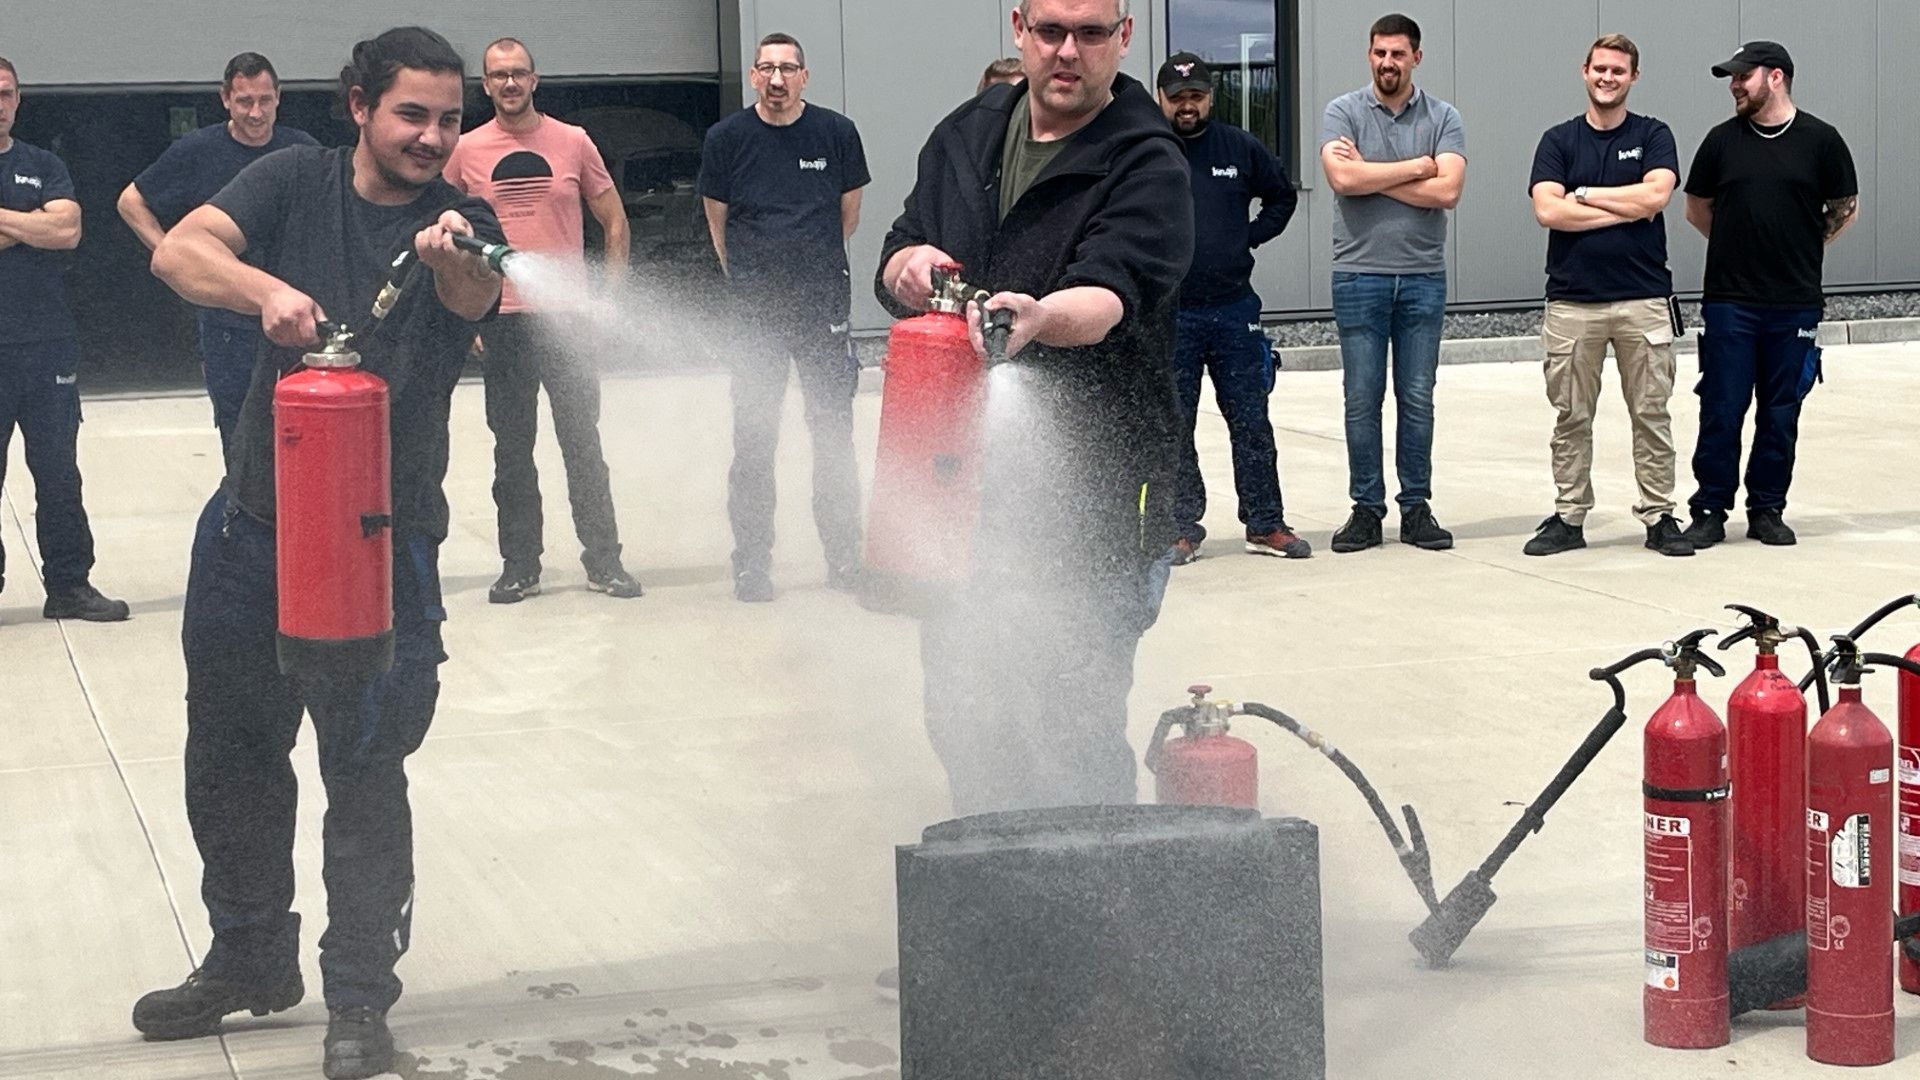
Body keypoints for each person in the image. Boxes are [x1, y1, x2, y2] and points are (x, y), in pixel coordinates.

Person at [134, 28, 504, 1080]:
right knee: (230, 754)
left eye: (449, 119)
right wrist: (264, 292)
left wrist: (455, 259)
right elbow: (176, 251)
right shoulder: (293, 181)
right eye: (412, 114)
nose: (433, 136)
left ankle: (358, 1001)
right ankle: (250, 956)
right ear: (358, 106)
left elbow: (477, 297)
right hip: (252, 530)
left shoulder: (463, 222)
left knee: (365, 770)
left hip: (383, 545)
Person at [877, 0, 1192, 814]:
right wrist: (904, 264)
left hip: (1095, 506)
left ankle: (1097, 886)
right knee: (966, 717)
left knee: (1071, 726)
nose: (1068, 52)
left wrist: (1044, 317)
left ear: (1125, 37)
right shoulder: (965, 136)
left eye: (1091, 33)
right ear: (1018, 27)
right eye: (1051, 31)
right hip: (963, 499)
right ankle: (994, 876)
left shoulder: (1146, 160)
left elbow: (1113, 292)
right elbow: (902, 241)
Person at [443, 37, 642, 603]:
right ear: (486, 86)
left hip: (568, 320)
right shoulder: (465, 151)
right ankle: (520, 566)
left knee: (582, 444)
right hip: (502, 319)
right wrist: (468, 312)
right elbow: (447, 235)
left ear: (535, 80)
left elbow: (615, 221)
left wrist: (607, 299)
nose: (509, 83)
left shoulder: (573, 142)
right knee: (512, 449)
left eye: (518, 73)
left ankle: (604, 562)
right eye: (498, 75)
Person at [698, 32, 870, 602]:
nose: (777, 79)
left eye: (788, 68)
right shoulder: (726, 139)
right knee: (754, 440)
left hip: (822, 309)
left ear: (804, 76)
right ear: (753, 76)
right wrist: (754, 284)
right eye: (766, 68)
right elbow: (719, 225)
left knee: (833, 435)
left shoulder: (836, 133)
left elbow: (846, 218)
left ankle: (843, 559)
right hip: (755, 315)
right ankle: (751, 565)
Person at [1681, 41, 1857, 548]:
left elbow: (1845, 208)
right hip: (1730, 301)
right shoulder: (1721, 141)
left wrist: (1797, 246)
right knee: (1722, 406)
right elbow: (1697, 209)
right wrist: (1739, 244)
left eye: (1743, 76)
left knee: (1780, 411)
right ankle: (1710, 509)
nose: (1735, 85)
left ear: (1775, 77)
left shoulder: (1821, 141)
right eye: (1733, 78)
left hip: (1794, 302)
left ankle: (1767, 509)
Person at [1523, 34, 1691, 558]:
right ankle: (1569, 516)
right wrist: (1627, 207)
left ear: (1633, 77)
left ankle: (1659, 516)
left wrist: (1585, 195)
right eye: (1600, 69)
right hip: (1572, 303)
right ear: (1585, 71)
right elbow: (1548, 211)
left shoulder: (1653, 134)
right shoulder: (1558, 141)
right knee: (1571, 417)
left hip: (1644, 300)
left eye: (1618, 70)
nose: (1607, 78)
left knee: (1651, 414)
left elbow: (1656, 196)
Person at [118, 52, 317, 454]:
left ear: (279, 97)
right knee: (241, 434)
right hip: (228, 322)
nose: (256, 113)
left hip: (294, 312)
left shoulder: (302, 151)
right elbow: (130, 201)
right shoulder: (198, 150)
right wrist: (171, 252)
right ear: (225, 99)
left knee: (302, 428)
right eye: (244, 101)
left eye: (265, 100)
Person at [1319, 12, 1466, 554]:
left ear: (1416, 58)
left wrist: (1374, 175)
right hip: (1359, 275)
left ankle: (1416, 508)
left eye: (1398, 54)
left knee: (1418, 397)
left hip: (1423, 277)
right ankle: (1365, 509)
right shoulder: (1343, 111)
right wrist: (1419, 166)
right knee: (1362, 398)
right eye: (1380, 53)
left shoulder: (1444, 116)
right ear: (1369, 55)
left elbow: (1448, 192)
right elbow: (1342, 178)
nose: (1388, 62)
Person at [1157, 51, 1305, 566]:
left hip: (1234, 310)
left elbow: (1282, 197)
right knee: (1174, 426)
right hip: (1170, 315)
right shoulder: (1147, 151)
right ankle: (1180, 529)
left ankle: (1265, 524)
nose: (1188, 105)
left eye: (1196, 96)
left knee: (1251, 421)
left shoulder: (1239, 147)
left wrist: (1248, 237)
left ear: (1210, 97)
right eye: (1178, 97)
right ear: (1161, 100)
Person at [0, 56, 132, 623]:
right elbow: (47, 227)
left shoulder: (42, 164)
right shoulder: (36, 185)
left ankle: (69, 586)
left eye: (5, 93)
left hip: (46, 344)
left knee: (58, 474)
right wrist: (30, 223)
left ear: (18, 99)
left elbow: (68, 229)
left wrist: (19, 224)